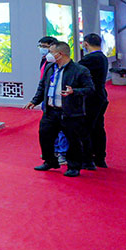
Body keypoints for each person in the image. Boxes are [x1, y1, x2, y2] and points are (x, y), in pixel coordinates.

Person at [27, 41, 94, 176]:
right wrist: (35, 101)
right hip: (51, 110)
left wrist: (74, 91)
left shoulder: (80, 70)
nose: (48, 55)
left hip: (70, 112)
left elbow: (90, 89)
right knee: (45, 135)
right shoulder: (50, 68)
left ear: (60, 54)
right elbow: (43, 86)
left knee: (73, 140)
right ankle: (50, 161)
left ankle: (74, 166)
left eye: (51, 52)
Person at [79, 33, 110, 168]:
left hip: (92, 98)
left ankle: (87, 159)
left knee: (87, 127)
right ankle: (99, 157)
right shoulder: (102, 57)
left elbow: (75, 69)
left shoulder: (91, 58)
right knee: (98, 127)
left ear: (86, 44)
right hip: (100, 96)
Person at [37, 36, 68, 165]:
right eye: (41, 46)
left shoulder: (68, 68)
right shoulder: (46, 63)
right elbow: (43, 82)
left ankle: (63, 153)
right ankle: (52, 152)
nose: (42, 50)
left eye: (45, 47)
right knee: (48, 130)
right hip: (48, 100)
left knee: (62, 130)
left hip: (61, 103)